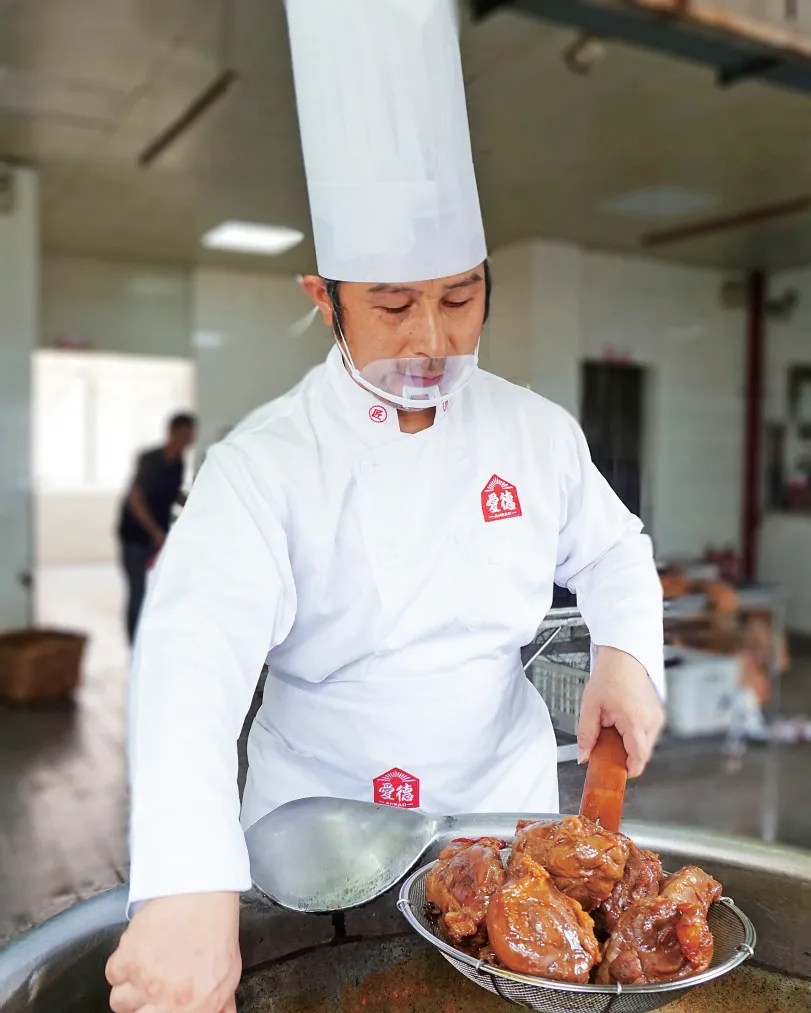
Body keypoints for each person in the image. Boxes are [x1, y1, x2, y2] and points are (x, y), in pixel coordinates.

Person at [105, 4, 665, 1012]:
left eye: (459, 298)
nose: (432, 340)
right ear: (324, 299)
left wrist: (626, 651)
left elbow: (614, 549)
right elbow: (191, 657)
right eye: (394, 305)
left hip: (498, 815)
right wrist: (186, 878)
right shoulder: (265, 464)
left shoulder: (534, 432)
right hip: (321, 833)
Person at [117, 412, 196, 644]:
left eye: (190, 437)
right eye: (185, 435)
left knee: (160, 588)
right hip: (135, 537)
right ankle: (135, 645)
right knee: (138, 592)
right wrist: (155, 532)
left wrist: (195, 504)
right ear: (171, 433)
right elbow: (135, 499)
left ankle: (153, 638)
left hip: (157, 537)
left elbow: (172, 492)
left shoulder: (178, 462)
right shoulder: (151, 460)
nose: (188, 441)